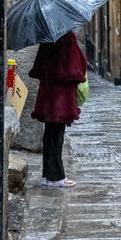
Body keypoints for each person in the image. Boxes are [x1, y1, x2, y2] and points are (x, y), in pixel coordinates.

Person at [29, 30, 88, 188]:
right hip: (61, 94)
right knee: (57, 134)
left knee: (49, 132)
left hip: (48, 92)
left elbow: (38, 67)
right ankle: (55, 176)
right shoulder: (68, 37)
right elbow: (78, 67)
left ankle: (47, 175)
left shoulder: (46, 37)